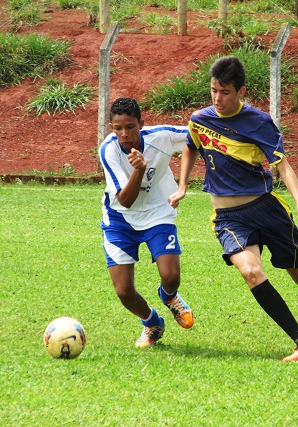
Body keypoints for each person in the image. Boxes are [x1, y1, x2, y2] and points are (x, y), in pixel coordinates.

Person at [168, 56, 298, 362]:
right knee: (251, 271)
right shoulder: (200, 119)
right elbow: (190, 147)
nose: (217, 98)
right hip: (228, 218)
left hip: (267, 209)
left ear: (240, 91)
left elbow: (284, 167)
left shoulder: (259, 122)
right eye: (213, 90)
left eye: (225, 92)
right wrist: (182, 185)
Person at [99, 97, 194, 348]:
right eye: (117, 128)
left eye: (130, 127)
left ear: (141, 123)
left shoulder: (161, 137)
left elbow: (198, 135)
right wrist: (139, 170)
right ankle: (151, 322)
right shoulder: (108, 150)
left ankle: (169, 297)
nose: (124, 134)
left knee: (171, 275)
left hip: (158, 212)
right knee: (124, 292)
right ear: (111, 127)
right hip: (120, 219)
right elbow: (126, 200)